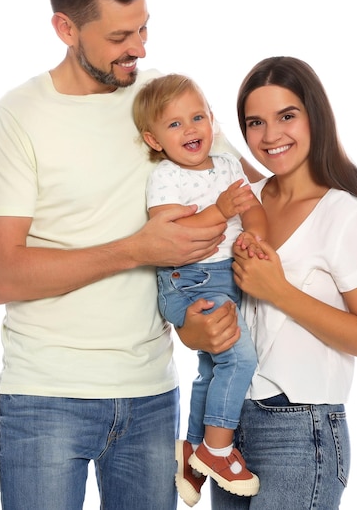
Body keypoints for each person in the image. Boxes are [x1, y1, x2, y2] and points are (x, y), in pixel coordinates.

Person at [0, 0, 250, 510]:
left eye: (143, 28)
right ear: (65, 28)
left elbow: (255, 189)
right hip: (45, 396)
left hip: (152, 394)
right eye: (120, 38)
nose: (140, 48)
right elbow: (2, 274)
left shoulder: (162, 102)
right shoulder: (17, 117)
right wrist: (135, 249)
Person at [207, 56, 357, 510]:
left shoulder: (344, 212)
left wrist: (280, 292)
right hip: (228, 428)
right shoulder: (242, 201)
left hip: (300, 431)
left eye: (287, 116)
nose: (271, 135)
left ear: (315, 116)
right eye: (256, 122)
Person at [133, 73, 267, 505]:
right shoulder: (167, 176)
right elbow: (171, 234)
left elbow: (254, 209)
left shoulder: (228, 164)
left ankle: (191, 451)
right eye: (174, 125)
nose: (190, 129)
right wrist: (219, 210)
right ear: (154, 141)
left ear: (212, 119)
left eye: (197, 117)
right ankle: (218, 449)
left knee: (213, 369)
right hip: (188, 281)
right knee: (240, 357)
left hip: (225, 274)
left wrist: (255, 236)